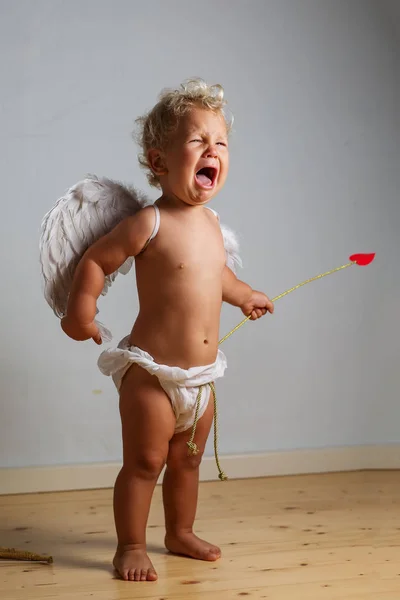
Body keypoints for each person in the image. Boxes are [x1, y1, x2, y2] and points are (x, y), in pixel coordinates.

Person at [60, 79, 274, 582]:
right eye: (199, 141)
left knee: (187, 463)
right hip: (154, 376)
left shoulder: (213, 225)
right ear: (159, 162)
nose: (213, 151)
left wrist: (243, 294)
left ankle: (180, 532)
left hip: (201, 380)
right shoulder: (149, 223)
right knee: (145, 463)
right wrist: (80, 314)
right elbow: (96, 260)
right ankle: (130, 544)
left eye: (220, 143)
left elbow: (214, 274)